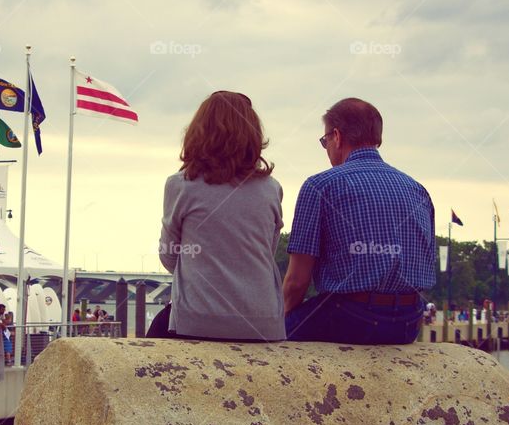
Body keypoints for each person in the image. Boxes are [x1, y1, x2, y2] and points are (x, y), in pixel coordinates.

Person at [282, 98, 436, 344]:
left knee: (267, 333)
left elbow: (296, 282)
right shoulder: (418, 189)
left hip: (351, 318)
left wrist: (281, 321)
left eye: (325, 141)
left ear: (337, 136)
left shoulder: (320, 186)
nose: (327, 148)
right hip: (408, 322)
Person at [150, 90, 285, 341]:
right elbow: (267, 250)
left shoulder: (181, 185)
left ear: (198, 131)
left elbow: (169, 256)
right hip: (263, 322)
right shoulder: (271, 189)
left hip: (198, 321)